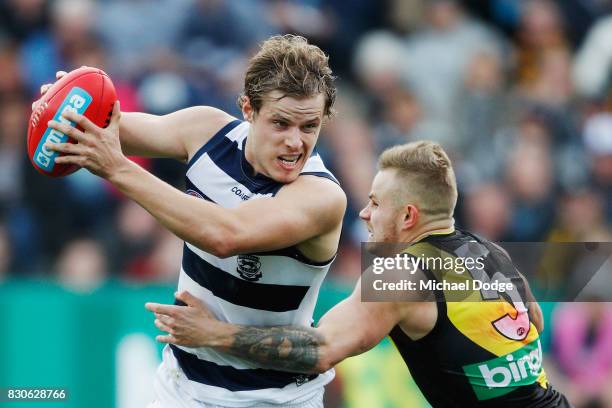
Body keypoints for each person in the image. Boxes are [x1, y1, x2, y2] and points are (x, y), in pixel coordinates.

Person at [38, 35, 346, 407]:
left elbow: (225, 234)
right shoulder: (207, 131)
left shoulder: (321, 196)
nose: (295, 143)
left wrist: (118, 169)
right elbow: (104, 131)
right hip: (180, 388)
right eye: (281, 124)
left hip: (272, 400)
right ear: (248, 109)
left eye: (309, 127)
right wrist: (63, 111)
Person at [151, 141, 573, 407]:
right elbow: (532, 322)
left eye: (375, 202)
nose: (364, 213)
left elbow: (319, 351)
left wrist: (214, 335)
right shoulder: (488, 251)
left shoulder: (400, 273)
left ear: (408, 216)